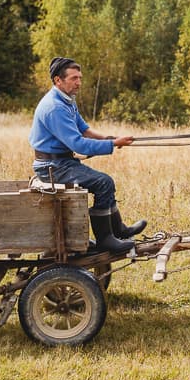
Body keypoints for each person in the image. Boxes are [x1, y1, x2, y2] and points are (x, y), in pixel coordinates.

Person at [29, 57, 147, 254]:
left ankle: (119, 230)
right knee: (104, 183)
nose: (79, 82)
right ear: (58, 80)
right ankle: (106, 239)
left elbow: (83, 129)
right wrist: (112, 144)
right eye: (74, 78)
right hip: (53, 167)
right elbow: (78, 143)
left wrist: (110, 138)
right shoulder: (55, 107)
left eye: (80, 78)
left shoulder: (66, 100)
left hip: (62, 162)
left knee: (104, 182)